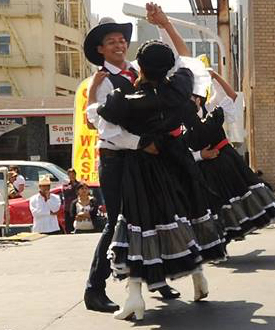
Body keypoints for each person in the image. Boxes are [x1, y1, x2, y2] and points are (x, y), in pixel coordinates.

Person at [82, 3, 184, 313]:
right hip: (117, 159)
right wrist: (143, 144)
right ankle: (94, 289)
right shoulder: (100, 82)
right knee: (117, 222)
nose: (119, 44)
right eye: (110, 41)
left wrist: (164, 24)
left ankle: (155, 278)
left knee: (152, 217)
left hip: (144, 156)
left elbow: (177, 61)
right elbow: (106, 129)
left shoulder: (137, 73)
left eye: (121, 39)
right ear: (100, 49)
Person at [182, 65, 275, 241]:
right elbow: (181, 151)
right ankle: (221, 240)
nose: (194, 100)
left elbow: (232, 97)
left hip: (226, 160)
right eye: (190, 97)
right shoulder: (182, 121)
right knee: (215, 205)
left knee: (239, 193)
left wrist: (214, 76)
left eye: (195, 96)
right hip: (205, 168)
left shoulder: (210, 107)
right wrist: (201, 155)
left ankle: (239, 228)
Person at [62, 168, 81, 233]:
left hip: (77, 208)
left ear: (75, 175)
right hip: (68, 209)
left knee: (77, 226)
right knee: (68, 228)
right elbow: (66, 191)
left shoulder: (79, 185)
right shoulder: (66, 185)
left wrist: (75, 184)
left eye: (73, 174)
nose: (72, 176)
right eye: (70, 175)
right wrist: (72, 185)